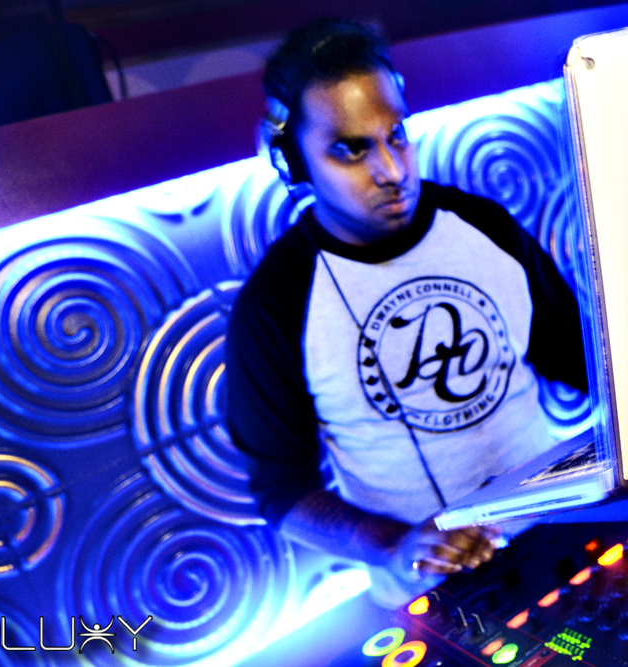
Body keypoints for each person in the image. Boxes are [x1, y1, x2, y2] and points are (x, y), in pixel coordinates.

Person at [224, 18, 587, 604]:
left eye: (396, 135)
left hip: (568, 540)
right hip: (429, 594)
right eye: (351, 150)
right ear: (292, 160)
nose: (392, 171)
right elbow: (282, 491)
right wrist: (395, 544)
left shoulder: (485, 227)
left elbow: (578, 358)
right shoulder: (275, 303)